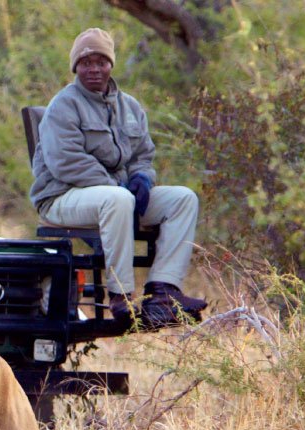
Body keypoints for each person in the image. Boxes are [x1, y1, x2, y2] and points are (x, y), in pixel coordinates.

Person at [31, 28, 207, 327]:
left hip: (116, 197)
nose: (94, 69)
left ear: (111, 64)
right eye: (86, 63)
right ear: (76, 67)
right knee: (119, 198)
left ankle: (163, 291)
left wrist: (142, 179)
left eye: (101, 61)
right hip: (61, 196)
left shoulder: (131, 106)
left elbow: (143, 155)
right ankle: (121, 296)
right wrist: (118, 186)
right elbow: (66, 163)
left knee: (183, 199)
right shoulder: (64, 105)